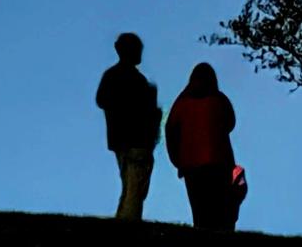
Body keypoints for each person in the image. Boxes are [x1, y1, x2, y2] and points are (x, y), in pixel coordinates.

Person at [95, 33, 162, 221]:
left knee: (132, 183)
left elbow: (102, 100)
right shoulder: (132, 79)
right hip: (135, 139)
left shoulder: (118, 76)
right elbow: (104, 101)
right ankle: (128, 222)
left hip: (124, 139)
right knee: (134, 185)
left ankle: (127, 220)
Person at [165, 62, 237, 230]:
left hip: (191, 165)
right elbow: (230, 122)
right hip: (218, 162)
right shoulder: (219, 99)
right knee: (221, 209)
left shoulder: (181, 103)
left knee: (200, 212)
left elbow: (171, 130)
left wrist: (178, 160)